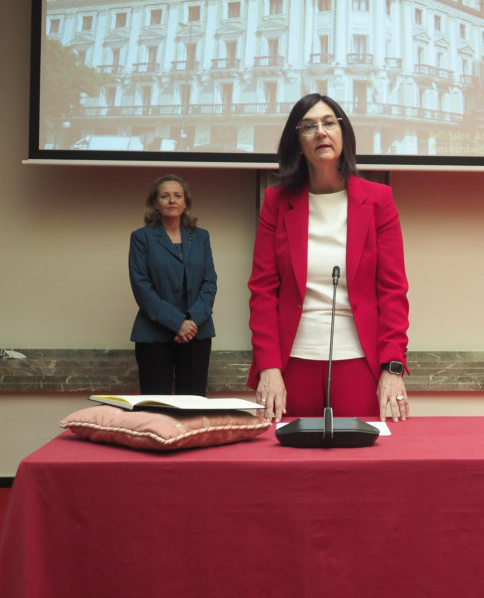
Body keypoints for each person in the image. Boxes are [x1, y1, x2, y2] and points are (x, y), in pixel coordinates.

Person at [248, 93, 411, 423]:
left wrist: (392, 367)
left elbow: (393, 291)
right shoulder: (277, 202)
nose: (320, 132)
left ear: (343, 133)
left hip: (359, 362)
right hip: (292, 363)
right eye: (308, 127)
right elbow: (263, 291)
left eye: (328, 123)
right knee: (289, 466)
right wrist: (269, 367)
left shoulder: (379, 200)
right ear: (297, 143)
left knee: (362, 467)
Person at [129, 175, 218, 395]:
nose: (172, 200)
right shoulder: (142, 238)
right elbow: (141, 286)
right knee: (155, 410)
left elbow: (210, 282)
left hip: (196, 333)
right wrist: (177, 323)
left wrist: (191, 321)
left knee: (192, 409)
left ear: (186, 202)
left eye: (178, 195)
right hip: (154, 335)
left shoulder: (201, 237)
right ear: (155, 203)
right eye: (165, 196)